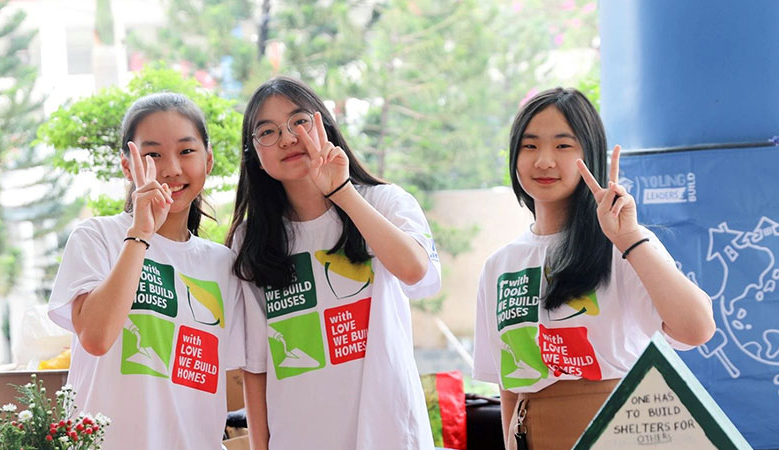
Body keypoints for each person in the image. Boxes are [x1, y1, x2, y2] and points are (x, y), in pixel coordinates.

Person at [472, 87, 715, 450]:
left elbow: (696, 329)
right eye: (530, 145)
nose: (544, 161)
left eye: (563, 146)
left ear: (591, 154)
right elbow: (509, 384)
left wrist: (629, 238)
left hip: (624, 434)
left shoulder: (622, 245)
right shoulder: (500, 266)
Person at [226, 76, 442, 450]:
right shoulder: (251, 242)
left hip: (388, 431)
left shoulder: (384, 201)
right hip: (299, 437)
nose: (288, 138)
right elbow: (256, 364)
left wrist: (341, 193)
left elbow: (415, 272)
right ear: (254, 155)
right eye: (268, 131)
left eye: (299, 122)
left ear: (325, 126)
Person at [48, 93, 253, 449]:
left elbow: (236, 376)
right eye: (153, 154)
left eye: (186, 151)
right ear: (128, 166)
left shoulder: (222, 264)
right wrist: (141, 234)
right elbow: (96, 337)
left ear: (209, 160)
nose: (172, 168)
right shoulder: (98, 237)